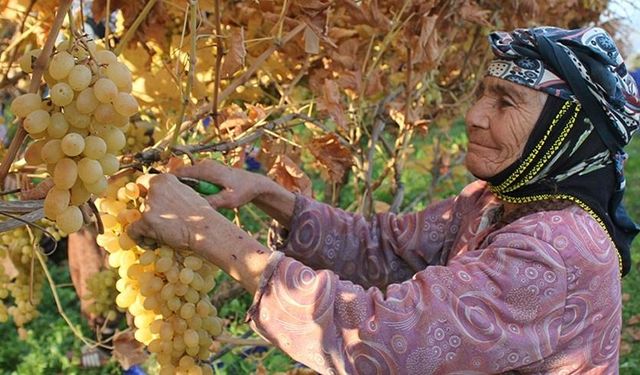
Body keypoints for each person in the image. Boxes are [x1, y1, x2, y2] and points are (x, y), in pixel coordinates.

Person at [128, 26, 640, 374]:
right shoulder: (494, 200)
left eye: (505, 102)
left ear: (567, 133)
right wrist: (270, 195)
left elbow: (374, 339)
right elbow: (384, 247)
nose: (476, 116)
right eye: (483, 92)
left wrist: (209, 235)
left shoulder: (555, 253)